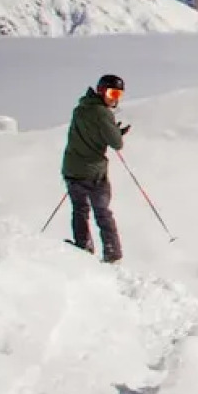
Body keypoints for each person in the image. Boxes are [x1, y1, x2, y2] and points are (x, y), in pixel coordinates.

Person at [62, 74, 132, 262]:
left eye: (118, 94)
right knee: (102, 212)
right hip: (93, 173)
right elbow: (116, 144)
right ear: (101, 91)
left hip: (71, 169)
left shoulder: (80, 109)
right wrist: (116, 133)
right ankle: (112, 253)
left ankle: (83, 246)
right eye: (111, 93)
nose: (114, 98)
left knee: (79, 210)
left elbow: (85, 133)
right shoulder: (103, 113)